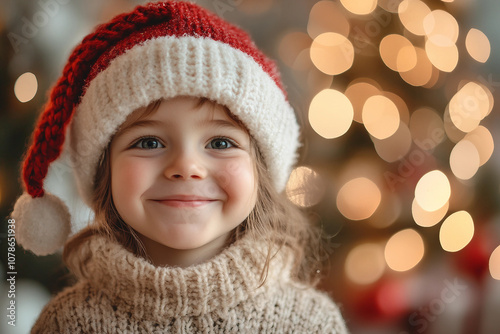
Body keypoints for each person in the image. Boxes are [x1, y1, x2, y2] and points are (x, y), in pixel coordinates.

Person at [11, 1, 349, 332]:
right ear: (104, 171)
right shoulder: (68, 324)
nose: (186, 167)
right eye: (148, 142)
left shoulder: (309, 322)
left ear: (260, 172)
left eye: (220, 143)